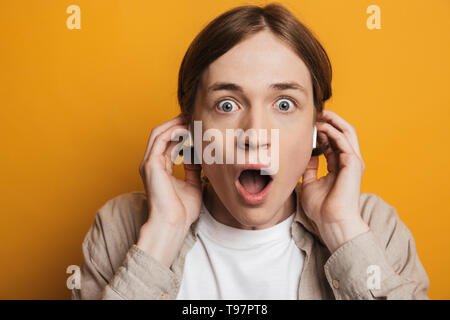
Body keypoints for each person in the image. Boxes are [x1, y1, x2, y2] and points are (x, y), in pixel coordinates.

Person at [72, 3, 430, 300]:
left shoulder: (373, 227)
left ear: (316, 133)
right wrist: (162, 234)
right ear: (189, 132)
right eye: (226, 105)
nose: (256, 134)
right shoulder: (123, 226)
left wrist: (340, 228)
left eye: (285, 104)